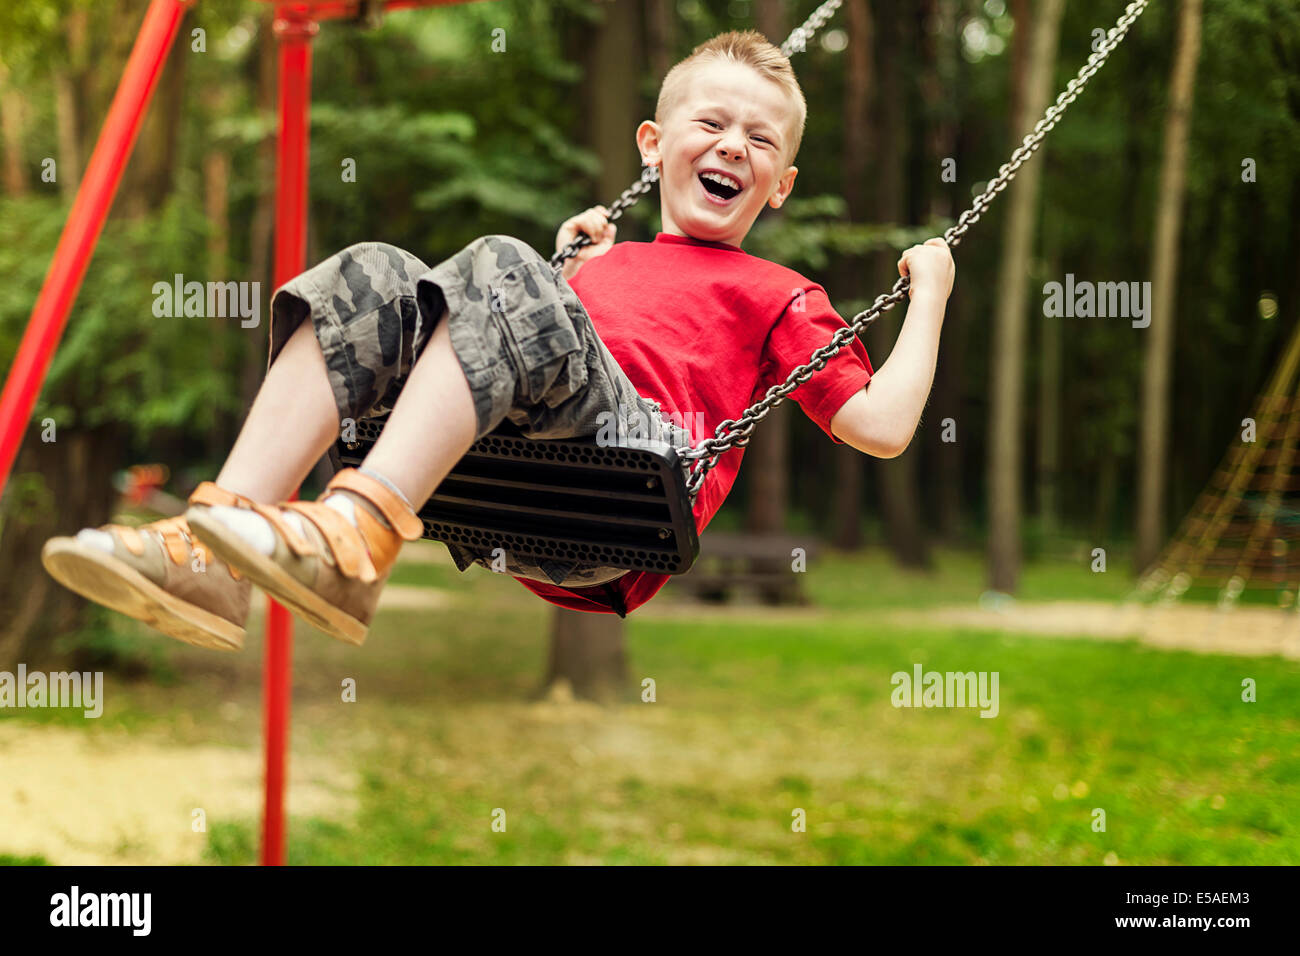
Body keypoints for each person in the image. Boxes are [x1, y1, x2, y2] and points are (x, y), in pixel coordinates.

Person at [42, 30, 955, 651]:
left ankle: (358, 536)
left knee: (497, 260)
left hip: (627, 491)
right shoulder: (597, 261)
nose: (733, 148)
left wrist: (931, 294)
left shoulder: (779, 293)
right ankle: (216, 550)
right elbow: (506, 351)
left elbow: (879, 425)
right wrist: (566, 275)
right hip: (518, 483)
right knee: (370, 272)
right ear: (653, 143)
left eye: (760, 140)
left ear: (782, 184)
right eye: (710, 124)